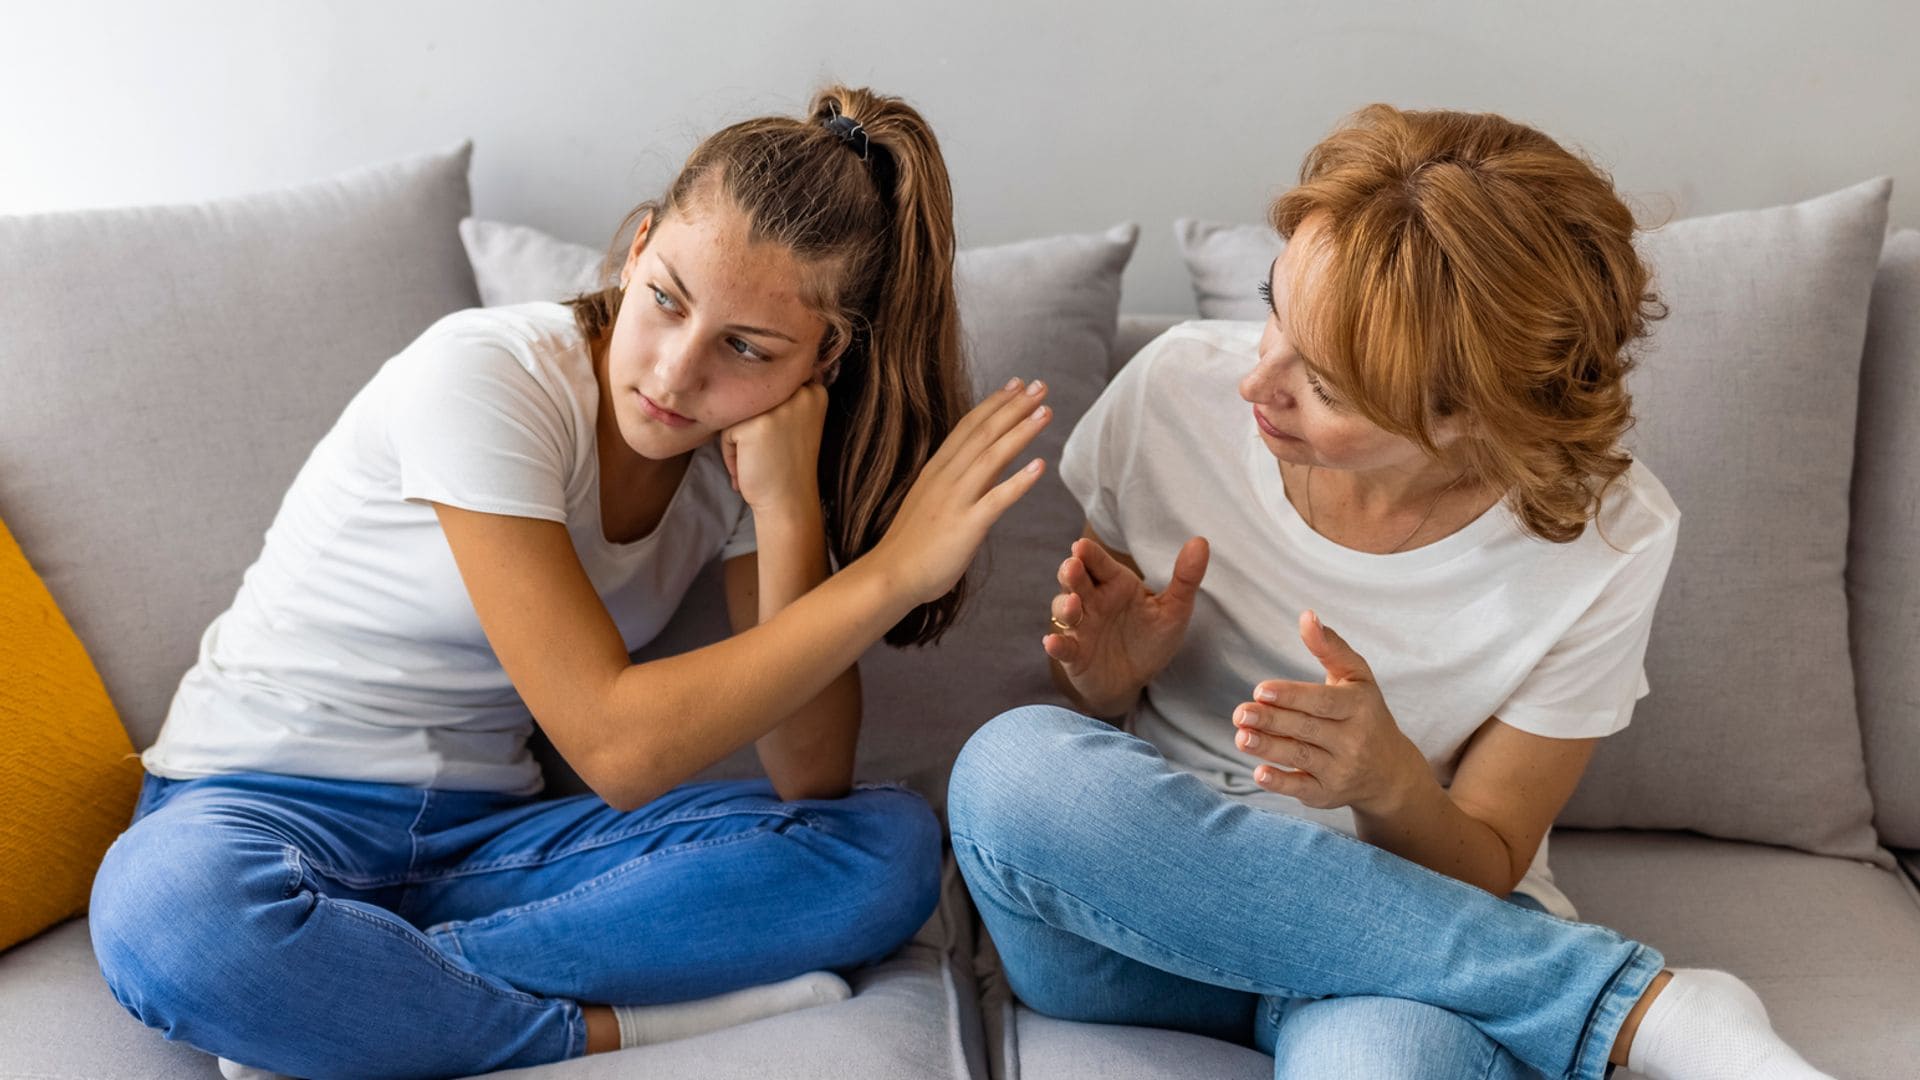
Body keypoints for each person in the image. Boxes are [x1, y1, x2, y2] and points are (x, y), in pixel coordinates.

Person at [88, 85, 1057, 1079]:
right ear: (637, 248)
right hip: (259, 811)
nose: (677, 376)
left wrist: (789, 510)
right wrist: (894, 574)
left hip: (487, 848)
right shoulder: (487, 378)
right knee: (168, 919)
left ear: (823, 357)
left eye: (746, 349)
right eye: (668, 300)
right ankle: (576, 1028)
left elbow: (809, 777)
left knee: (885, 852)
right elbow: (616, 746)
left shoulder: (741, 462)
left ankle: (335, 1007)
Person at [948, 104, 1829, 1080]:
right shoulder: (1168, 397)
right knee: (1008, 769)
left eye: (1324, 386)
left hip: (1408, 959)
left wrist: (1391, 784)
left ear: (1465, 419)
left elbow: (1490, 859)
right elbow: (1090, 765)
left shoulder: (1607, 537)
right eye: (1272, 304)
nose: (1256, 383)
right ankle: (1628, 1008)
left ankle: (1552, 995)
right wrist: (1110, 686)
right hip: (1141, 932)